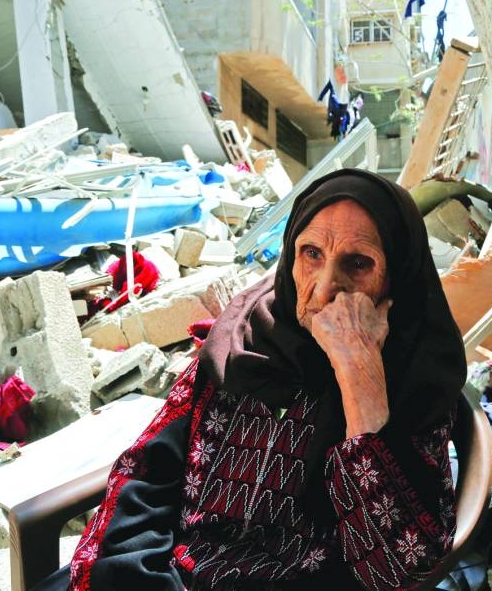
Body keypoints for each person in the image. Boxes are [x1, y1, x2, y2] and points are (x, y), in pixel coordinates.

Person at [38, 168, 467, 590]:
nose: (323, 290)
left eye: (358, 264)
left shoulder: (414, 382)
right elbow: (147, 472)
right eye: (311, 254)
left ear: (397, 277)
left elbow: (396, 572)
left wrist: (359, 379)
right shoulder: (243, 343)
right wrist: (138, 575)